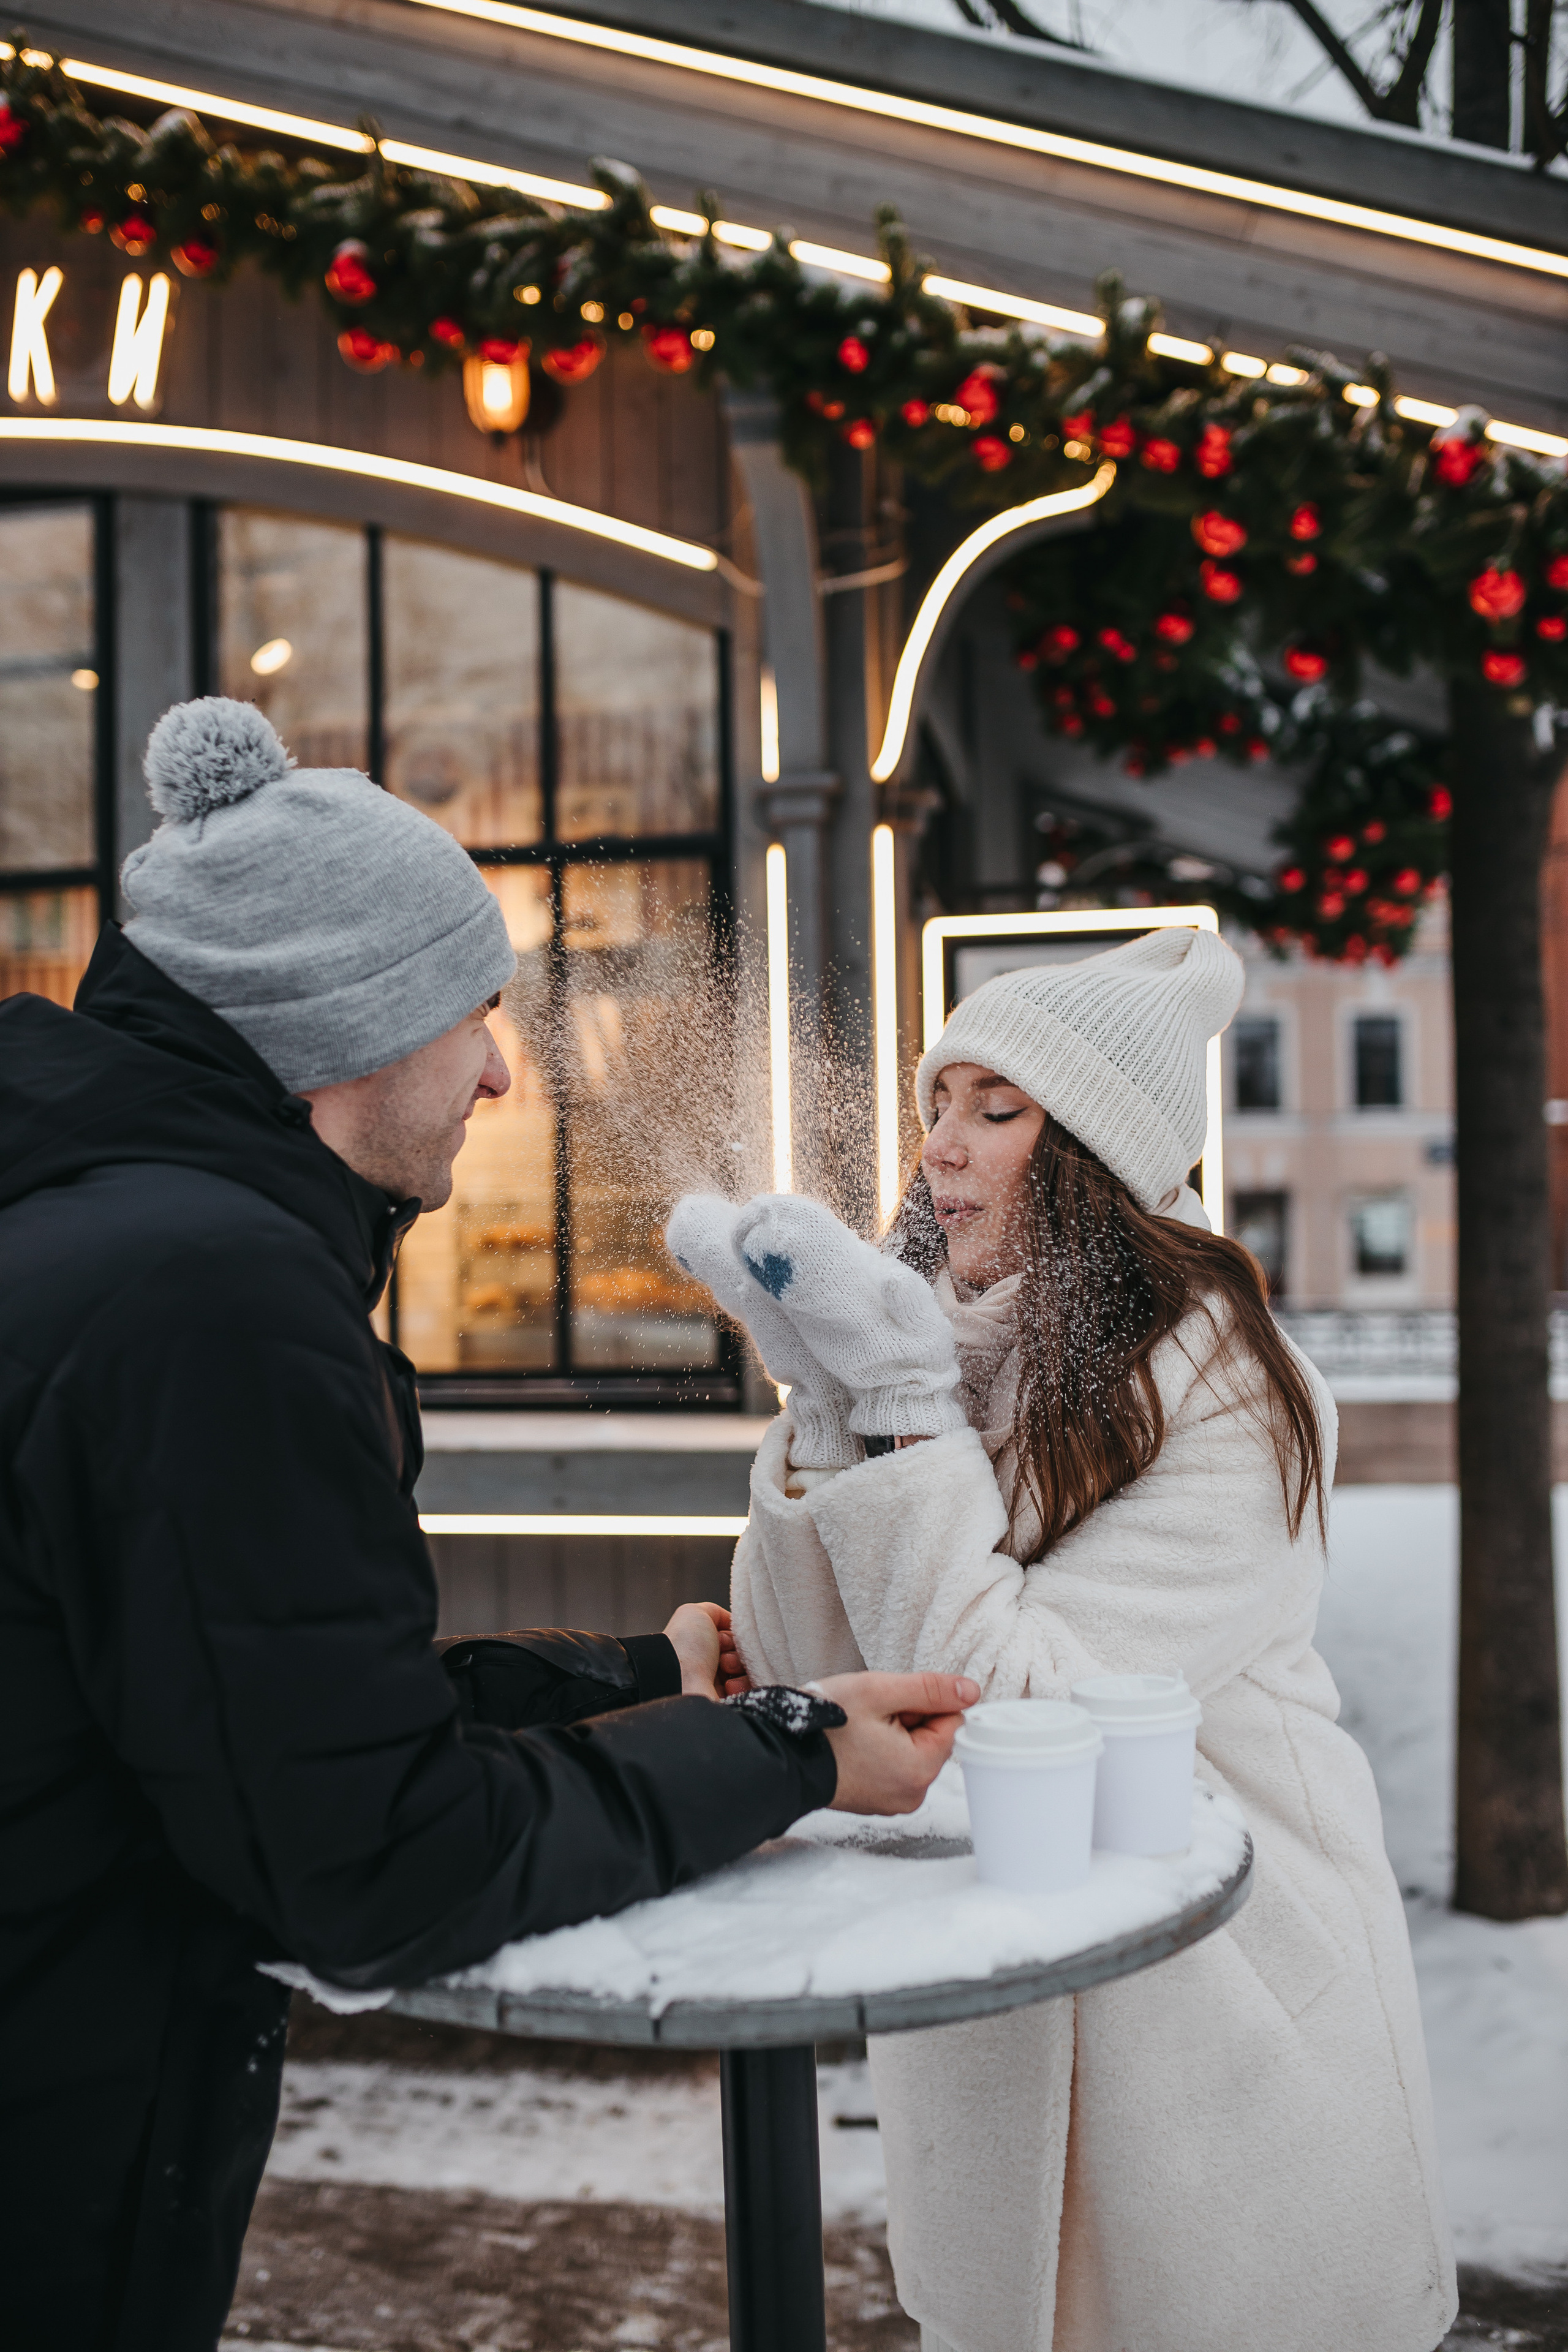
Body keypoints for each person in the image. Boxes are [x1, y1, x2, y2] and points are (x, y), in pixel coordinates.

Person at [0, 695, 975, 2352]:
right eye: (473, 1010)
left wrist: (628, 1674)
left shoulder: (102, 1239)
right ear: (346, 1031)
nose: (504, 1069)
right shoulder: (215, 1308)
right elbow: (376, 1866)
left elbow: (235, 1718)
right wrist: (796, 1754)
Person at [669, 926, 1457, 2352]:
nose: (938, 1151)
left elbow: (1010, 1713)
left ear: (1088, 1151)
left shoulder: (1224, 1389)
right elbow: (810, 1678)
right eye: (933, 1103)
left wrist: (901, 1413)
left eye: (995, 1110)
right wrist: (822, 1404)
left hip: (1217, 2014)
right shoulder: (933, 1353)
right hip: (997, 2012)